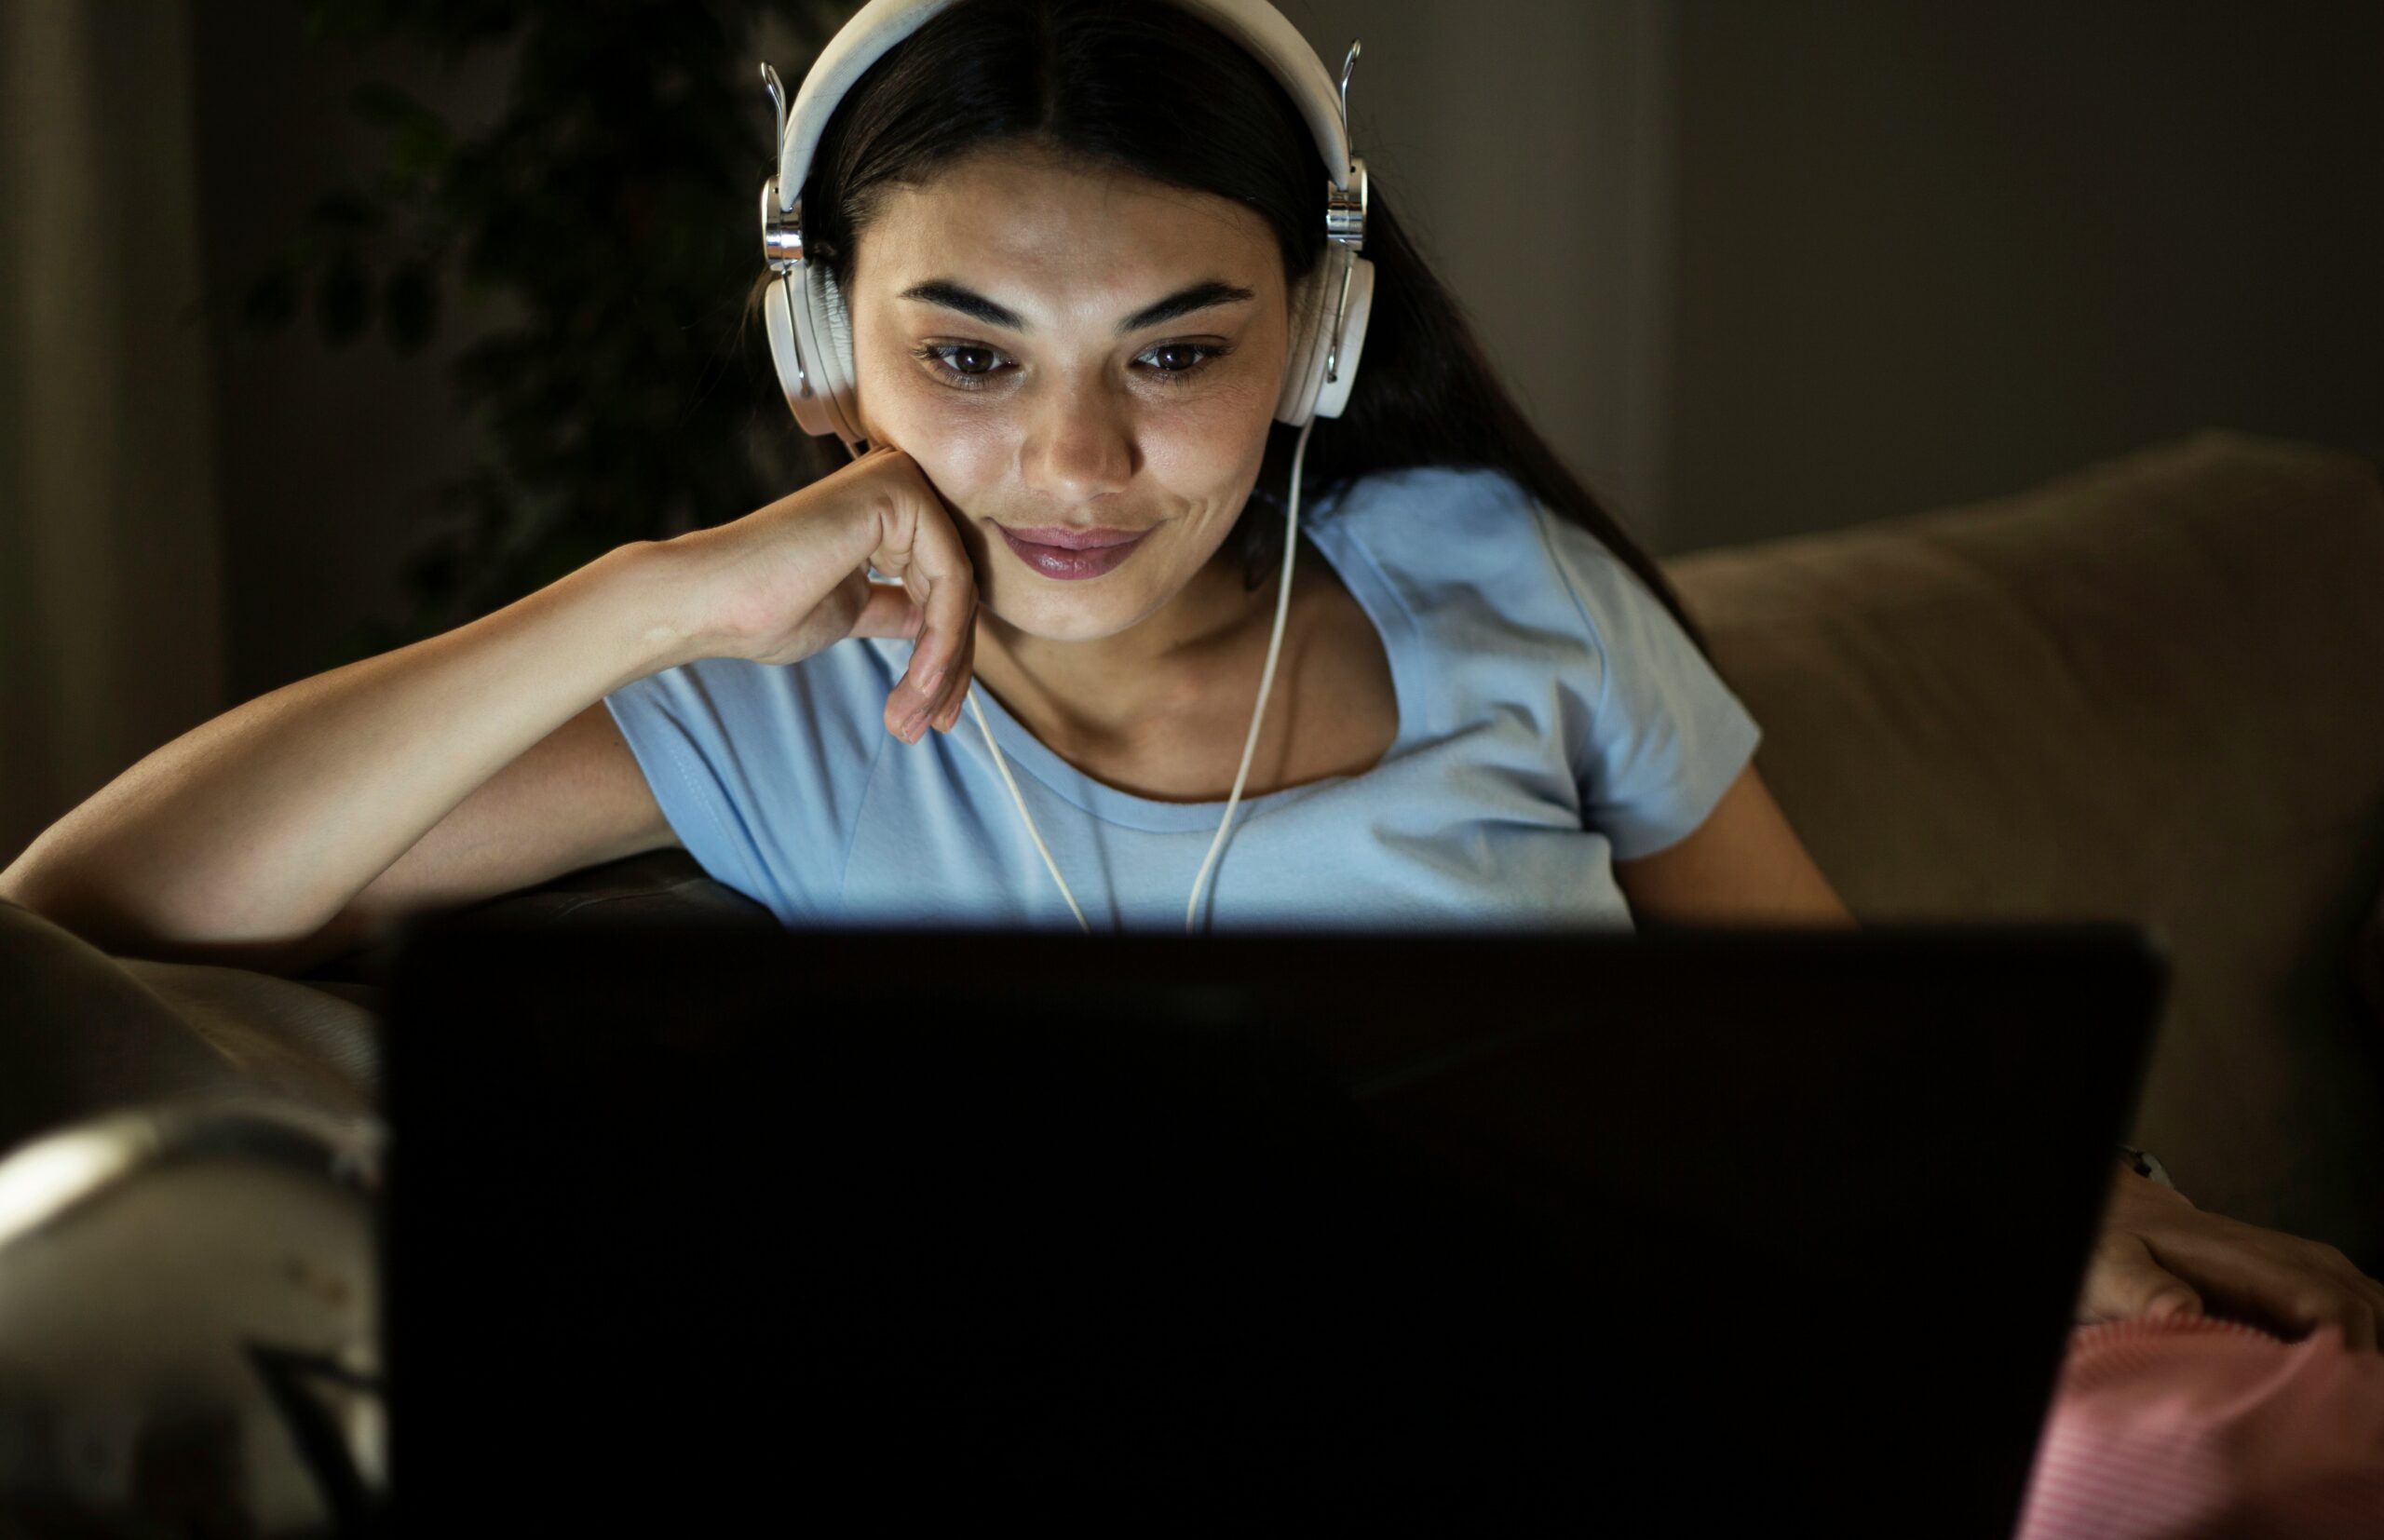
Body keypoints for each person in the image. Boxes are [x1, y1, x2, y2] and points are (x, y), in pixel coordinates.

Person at [4, 0, 2378, 1528]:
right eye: (963, 349)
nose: (1073, 456)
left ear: (1316, 337)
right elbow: (98, 889)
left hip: (1679, 1377)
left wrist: (2095, 1199)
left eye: (1174, 348)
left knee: (2203, 1457)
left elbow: (1848, 1042)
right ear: (820, 342)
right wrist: (642, 588)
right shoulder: (771, 700)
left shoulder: (1497, 587)